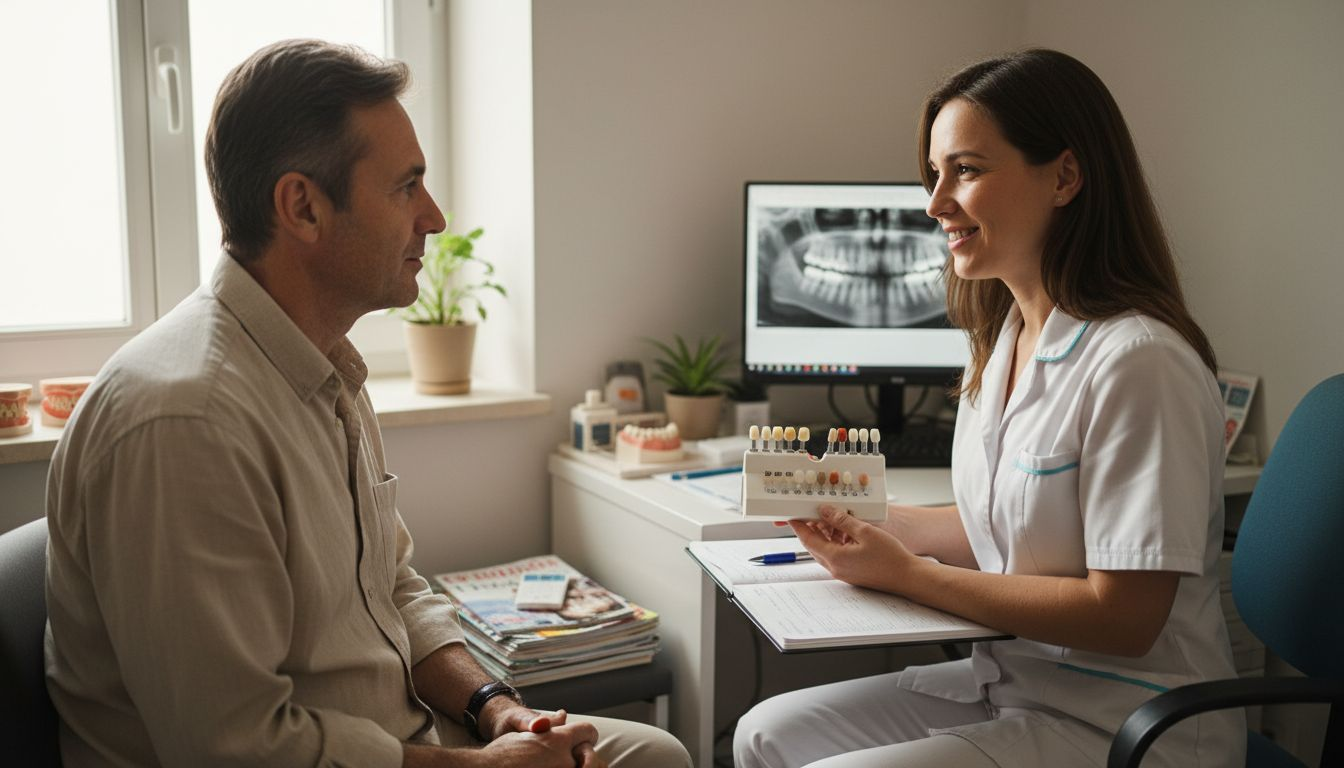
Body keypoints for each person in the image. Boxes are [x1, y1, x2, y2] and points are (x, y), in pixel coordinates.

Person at [44, 39, 691, 768]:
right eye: (406, 187)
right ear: (303, 207)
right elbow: (235, 748)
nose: (435, 217)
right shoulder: (188, 423)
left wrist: (494, 709)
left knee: (653, 754)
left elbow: (394, 590)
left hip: (405, 737)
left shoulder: (321, 363)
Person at [734, 49, 1244, 768]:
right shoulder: (1003, 340)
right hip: (1016, 685)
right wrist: (865, 520)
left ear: (1064, 177)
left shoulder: (1140, 362)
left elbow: (1126, 618)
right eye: (934, 174)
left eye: (966, 171)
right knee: (763, 733)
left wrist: (905, 574)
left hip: (1126, 723)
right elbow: (1008, 529)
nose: (935, 203)